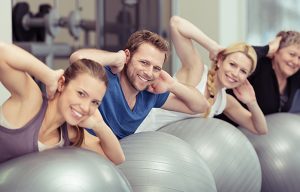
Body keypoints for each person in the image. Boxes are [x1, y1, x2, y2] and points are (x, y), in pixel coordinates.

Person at [136, 16, 268, 135]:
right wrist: (213, 46)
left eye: (243, 71)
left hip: (162, 147)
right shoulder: (197, 69)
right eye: (232, 64)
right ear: (220, 60)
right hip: (139, 129)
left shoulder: (224, 101)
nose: (235, 73)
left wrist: (252, 102)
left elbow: (260, 129)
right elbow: (176, 23)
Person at [70, 29, 210, 139]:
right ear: (128, 56)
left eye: (156, 68)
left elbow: (201, 106)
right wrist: (117, 57)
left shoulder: (151, 94)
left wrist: (172, 85)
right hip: (78, 149)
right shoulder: (104, 76)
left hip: (109, 159)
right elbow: (77, 59)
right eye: (144, 63)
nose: (149, 73)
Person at [0, 42, 125, 164]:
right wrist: (48, 75)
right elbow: (2, 51)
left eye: (95, 102)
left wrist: (99, 125)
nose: (86, 108)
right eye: (81, 94)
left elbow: (116, 159)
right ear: (61, 84)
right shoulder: (31, 100)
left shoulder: (70, 133)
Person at [250, 31, 300, 114]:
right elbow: (239, 55)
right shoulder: (259, 65)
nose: (296, 62)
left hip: (267, 126)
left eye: (299, 58)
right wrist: (268, 48)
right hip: (231, 125)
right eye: (292, 54)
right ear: (276, 51)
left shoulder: (295, 76)